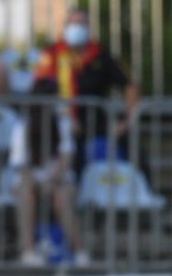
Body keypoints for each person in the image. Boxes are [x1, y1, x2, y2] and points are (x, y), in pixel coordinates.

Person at [32, 6, 139, 177]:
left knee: (130, 141)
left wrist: (126, 120)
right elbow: (39, 89)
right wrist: (66, 118)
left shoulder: (100, 54)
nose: (77, 27)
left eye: (82, 23)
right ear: (65, 27)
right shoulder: (53, 54)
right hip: (59, 123)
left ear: (88, 28)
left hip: (96, 122)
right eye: (73, 23)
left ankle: (146, 190)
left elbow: (129, 85)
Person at [12, 78, 89, 267]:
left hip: (58, 179)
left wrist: (52, 181)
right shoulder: (22, 126)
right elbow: (21, 166)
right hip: (31, 180)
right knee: (26, 193)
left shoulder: (62, 124)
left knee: (61, 197)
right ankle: (28, 251)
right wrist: (39, 183)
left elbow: (66, 158)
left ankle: (80, 252)